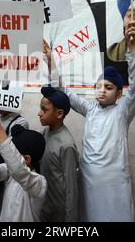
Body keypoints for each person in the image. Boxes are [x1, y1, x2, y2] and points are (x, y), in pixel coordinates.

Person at [48, 19, 135, 221]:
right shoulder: (90, 109)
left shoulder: (123, 111)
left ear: (118, 94)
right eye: (99, 86)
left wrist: (133, 48)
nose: (102, 91)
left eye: (108, 88)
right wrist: (51, 63)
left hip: (115, 182)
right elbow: (62, 91)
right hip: (89, 179)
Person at [0, 109, 47, 222]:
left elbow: (19, 170)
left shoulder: (39, 183)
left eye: (15, 153)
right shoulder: (9, 171)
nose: (9, 159)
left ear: (26, 159)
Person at [39, 86, 79, 222]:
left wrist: (71, 219)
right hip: (45, 207)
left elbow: (71, 188)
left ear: (59, 114)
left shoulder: (66, 145)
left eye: (44, 110)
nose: (39, 113)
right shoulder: (45, 133)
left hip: (59, 213)